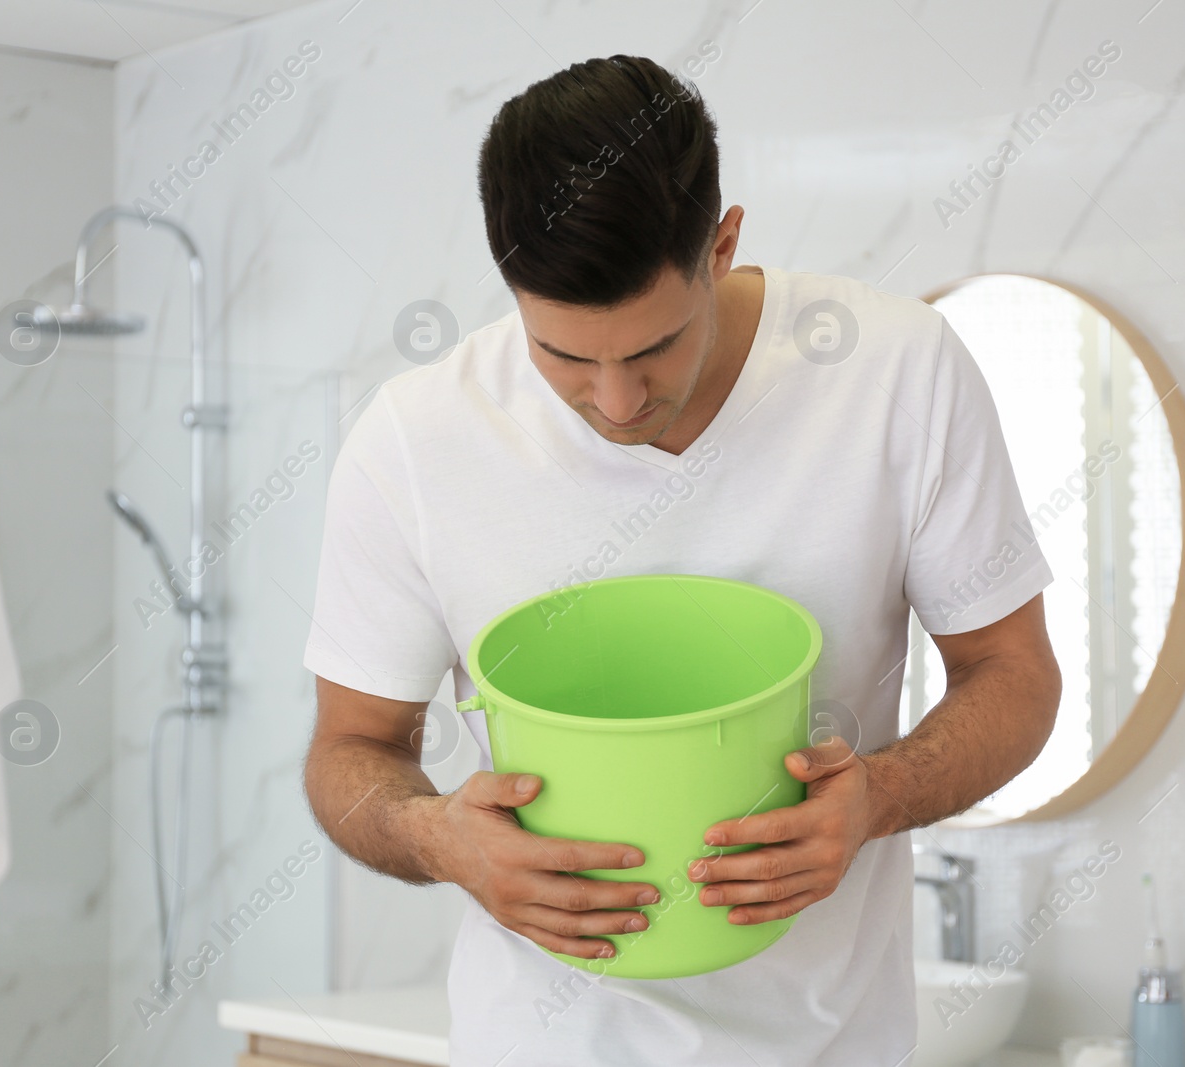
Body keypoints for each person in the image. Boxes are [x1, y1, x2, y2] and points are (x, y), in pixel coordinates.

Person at [302, 53, 1061, 1066]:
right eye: (564, 357)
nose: (615, 403)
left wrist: (879, 794)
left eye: (652, 347)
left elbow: (1013, 673)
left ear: (724, 243)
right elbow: (349, 748)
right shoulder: (414, 439)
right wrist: (436, 834)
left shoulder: (894, 371)